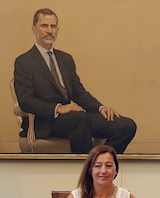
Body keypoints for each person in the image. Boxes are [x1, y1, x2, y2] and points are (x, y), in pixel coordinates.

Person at [13, 8, 137, 154]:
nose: (49, 30)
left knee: (126, 125)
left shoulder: (66, 59)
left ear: (57, 30)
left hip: (75, 118)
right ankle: (87, 171)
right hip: (45, 121)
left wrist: (101, 108)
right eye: (44, 26)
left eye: (53, 26)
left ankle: (98, 163)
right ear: (34, 29)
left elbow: (79, 92)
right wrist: (58, 108)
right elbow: (26, 100)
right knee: (80, 119)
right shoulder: (24, 61)